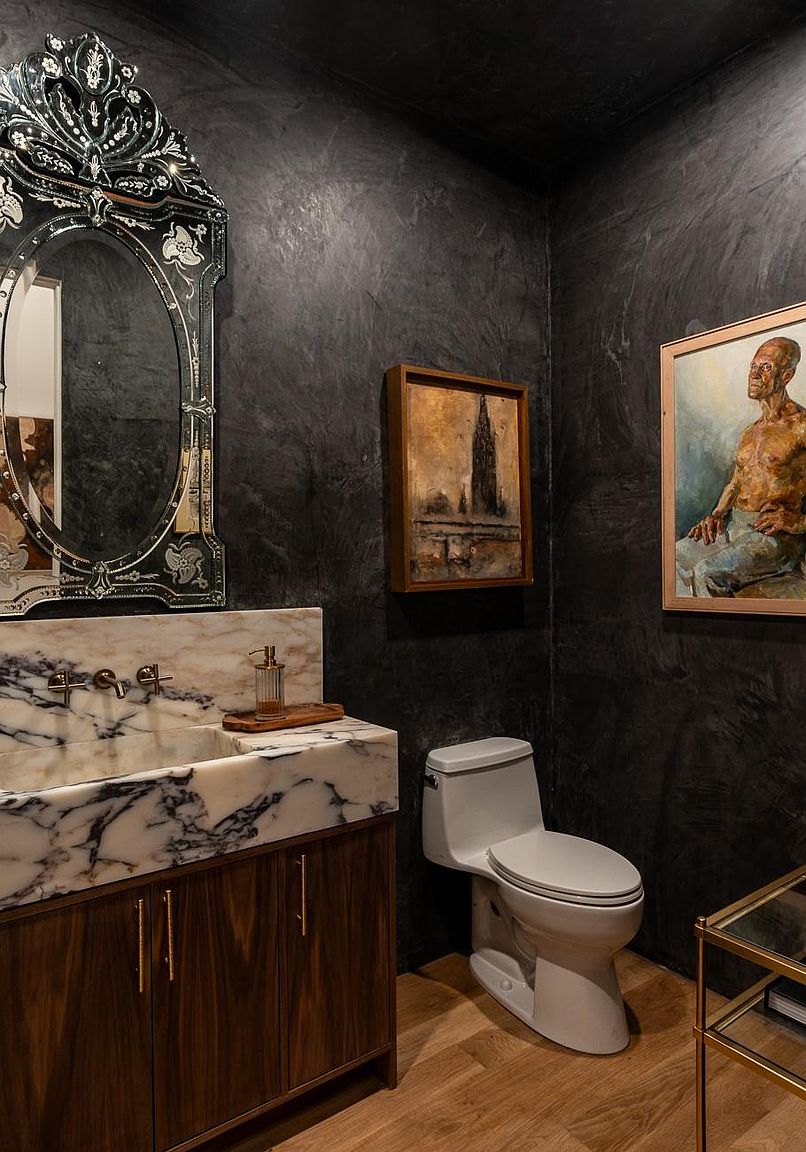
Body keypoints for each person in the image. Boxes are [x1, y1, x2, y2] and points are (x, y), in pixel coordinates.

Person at [675, 335, 806, 597]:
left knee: (706, 572)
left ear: (787, 376)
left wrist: (798, 521)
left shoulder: (801, 426)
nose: (755, 374)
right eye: (753, 366)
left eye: (766, 368)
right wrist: (716, 515)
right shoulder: (750, 433)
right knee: (676, 554)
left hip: (776, 538)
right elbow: (736, 482)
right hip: (736, 527)